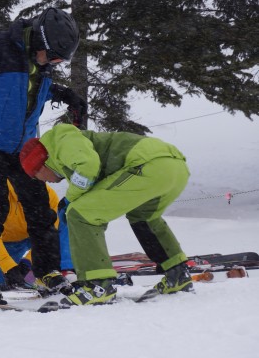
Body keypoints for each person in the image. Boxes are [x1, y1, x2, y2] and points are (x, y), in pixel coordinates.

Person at [0, 7, 85, 305]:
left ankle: (48, 273)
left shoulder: (39, 60)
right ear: (40, 39)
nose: (54, 62)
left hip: (23, 145)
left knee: (40, 210)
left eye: (60, 59)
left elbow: (31, 89)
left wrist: (64, 95)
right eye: (54, 56)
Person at [19, 123, 193, 306]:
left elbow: (88, 166)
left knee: (79, 214)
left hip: (146, 164)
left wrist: (70, 200)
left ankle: (98, 285)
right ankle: (178, 274)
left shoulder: (60, 139)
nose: (45, 181)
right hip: (174, 167)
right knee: (144, 217)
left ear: (39, 166)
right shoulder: (67, 154)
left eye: (36, 176)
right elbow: (94, 180)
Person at [0, 181, 70, 291]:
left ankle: (63, 271)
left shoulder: (48, 194)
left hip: (35, 237)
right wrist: (9, 267)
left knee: (64, 222)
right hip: (7, 243)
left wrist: (28, 262)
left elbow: (51, 234)